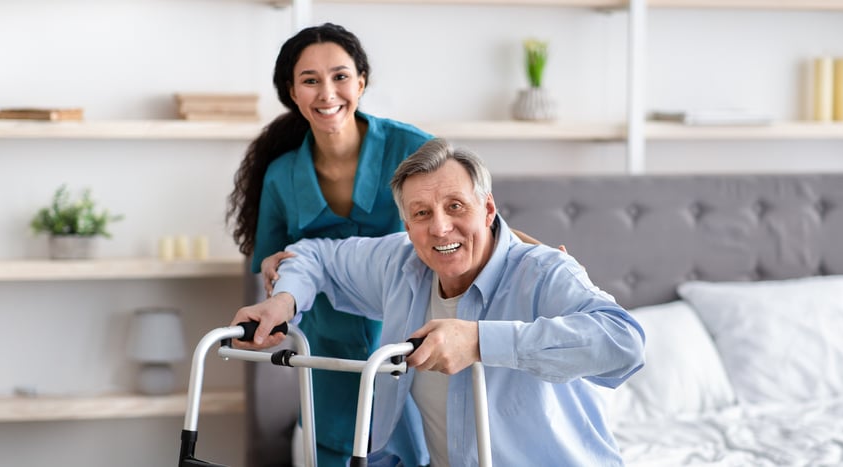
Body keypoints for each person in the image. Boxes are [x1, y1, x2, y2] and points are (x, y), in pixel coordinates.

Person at [232, 138, 647, 466]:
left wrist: (480, 341)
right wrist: (283, 300)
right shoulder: (400, 263)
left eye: (455, 206)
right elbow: (316, 255)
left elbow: (624, 341)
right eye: (422, 214)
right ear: (407, 224)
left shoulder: (543, 272)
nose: (441, 228)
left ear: (487, 209)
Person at [225, 23, 434, 466]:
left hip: (411, 347)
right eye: (310, 80)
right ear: (292, 92)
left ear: (361, 82)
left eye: (340, 76)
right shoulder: (282, 174)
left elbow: (476, 224)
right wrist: (272, 266)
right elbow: (271, 257)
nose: (327, 93)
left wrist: (537, 254)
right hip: (327, 351)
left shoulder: (413, 150)